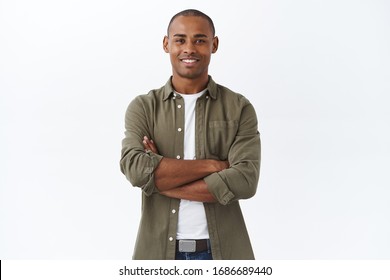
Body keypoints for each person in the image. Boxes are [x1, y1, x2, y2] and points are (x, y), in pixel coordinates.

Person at [120, 9, 261, 260]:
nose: (189, 48)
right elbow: (135, 169)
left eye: (199, 40)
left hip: (223, 254)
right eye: (180, 39)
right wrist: (213, 166)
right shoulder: (144, 107)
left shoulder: (239, 108)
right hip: (158, 253)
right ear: (166, 44)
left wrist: (159, 180)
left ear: (214, 44)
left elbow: (245, 181)